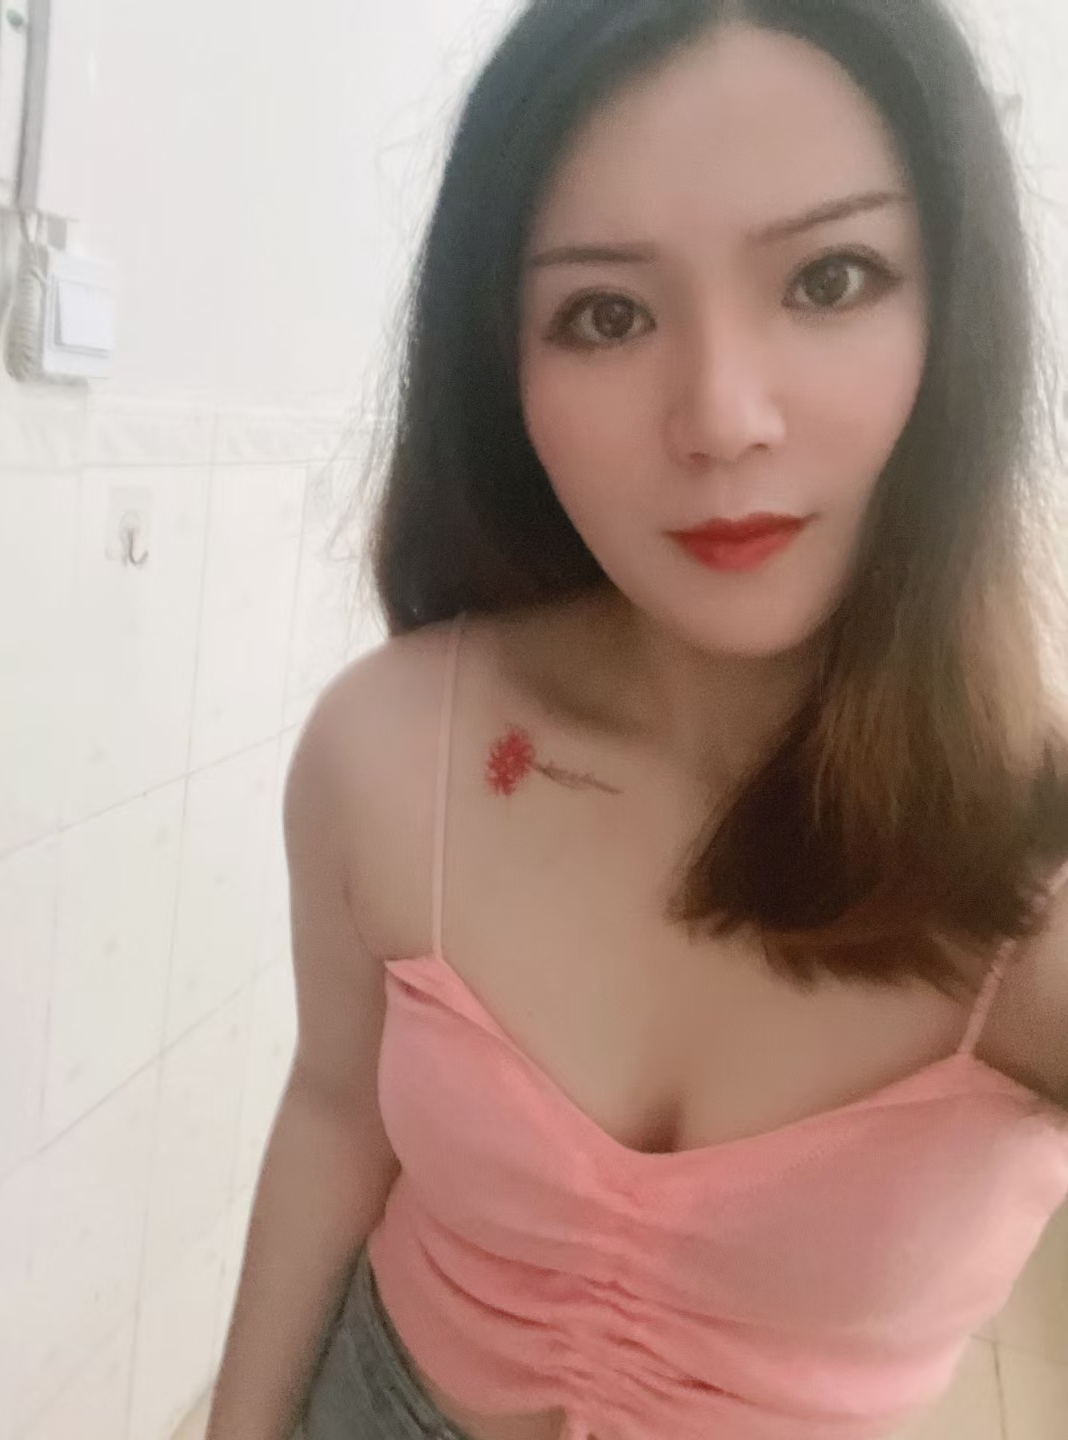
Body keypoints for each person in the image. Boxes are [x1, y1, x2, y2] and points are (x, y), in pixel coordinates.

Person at [207, 2, 1068, 1438]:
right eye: (606, 314)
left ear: (959, 317)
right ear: (506, 366)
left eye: (830, 278)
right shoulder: (389, 750)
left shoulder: (1036, 871)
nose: (721, 417)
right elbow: (335, 1112)